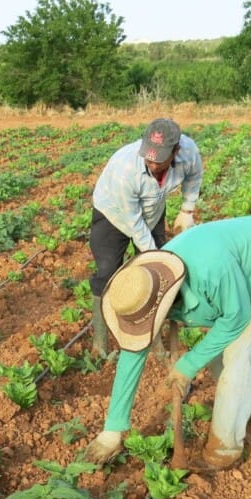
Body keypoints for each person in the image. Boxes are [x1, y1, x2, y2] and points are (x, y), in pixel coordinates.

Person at [84, 216, 251, 471]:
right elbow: (133, 353)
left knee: (237, 352)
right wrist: (112, 429)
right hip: (248, 272)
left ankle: (224, 451)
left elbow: (236, 318)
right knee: (217, 352)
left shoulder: (209, 269)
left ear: (166, 302)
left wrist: (188, 364)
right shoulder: (149, 283)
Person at [87, 118, 203, 357]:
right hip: (114, 214)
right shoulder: (125, 169)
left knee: (157, 277)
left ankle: (155, 341)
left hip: (153, 209)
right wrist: (154, 256)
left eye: (158, 158)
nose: (151, 162)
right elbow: (134, 223)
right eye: (148, 156)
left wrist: (187, 210)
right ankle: (100, 344)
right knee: (107, 271)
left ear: (175, 151)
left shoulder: (189, 152)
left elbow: (194, 176)